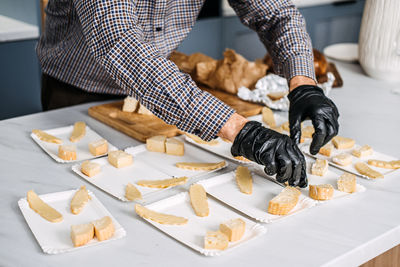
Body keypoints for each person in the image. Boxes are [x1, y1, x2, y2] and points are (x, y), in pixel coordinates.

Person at [37, 0, 339, 188]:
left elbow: (275, 15)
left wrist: (304, 85)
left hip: (162, 92)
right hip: (78, 92)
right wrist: (241, 131)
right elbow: (120, 42)